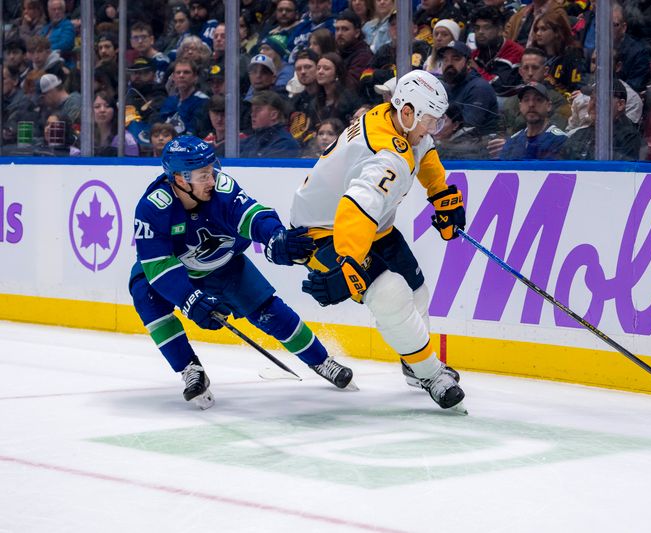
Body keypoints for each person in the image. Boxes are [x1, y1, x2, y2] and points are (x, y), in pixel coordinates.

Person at [129, 135, 354, 409]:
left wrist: (275, 236)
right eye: (203, 176)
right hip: (179, 273)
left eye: (211, 171)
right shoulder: (153, 207)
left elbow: (252, 214)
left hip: (225, 265)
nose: (211, 180)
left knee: (271, 313)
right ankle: (190, 369)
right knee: (145, 292)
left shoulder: (222, 188)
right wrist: (189, 299)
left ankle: (321, 360)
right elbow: (158, 264)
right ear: (179, 179)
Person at [290, 70, 467, 412]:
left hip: (372, 225)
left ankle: (414, 367)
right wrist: (350, 264)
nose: (433, 129)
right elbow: (354, 209)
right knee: (389, 294)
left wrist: (442, 193)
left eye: (437, 120)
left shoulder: (399, 122)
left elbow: (425, 153)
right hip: (323, 232)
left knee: (416, 291)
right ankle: (431, 374)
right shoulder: (387, 156)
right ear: (407, 111)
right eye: (429, 120)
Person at [559, 79, 644, 161]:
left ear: (620, 104)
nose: (593, 103)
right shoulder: (580, 134)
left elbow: (619, 171)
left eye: (602, 99)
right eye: (592, 98)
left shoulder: (630, 138)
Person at [494, 81, 568, 160]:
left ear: (548, 106)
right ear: (520, 106)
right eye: (526, 100)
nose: (531, 104)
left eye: (538, 100)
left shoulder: (559, 140)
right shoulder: (513, 141)